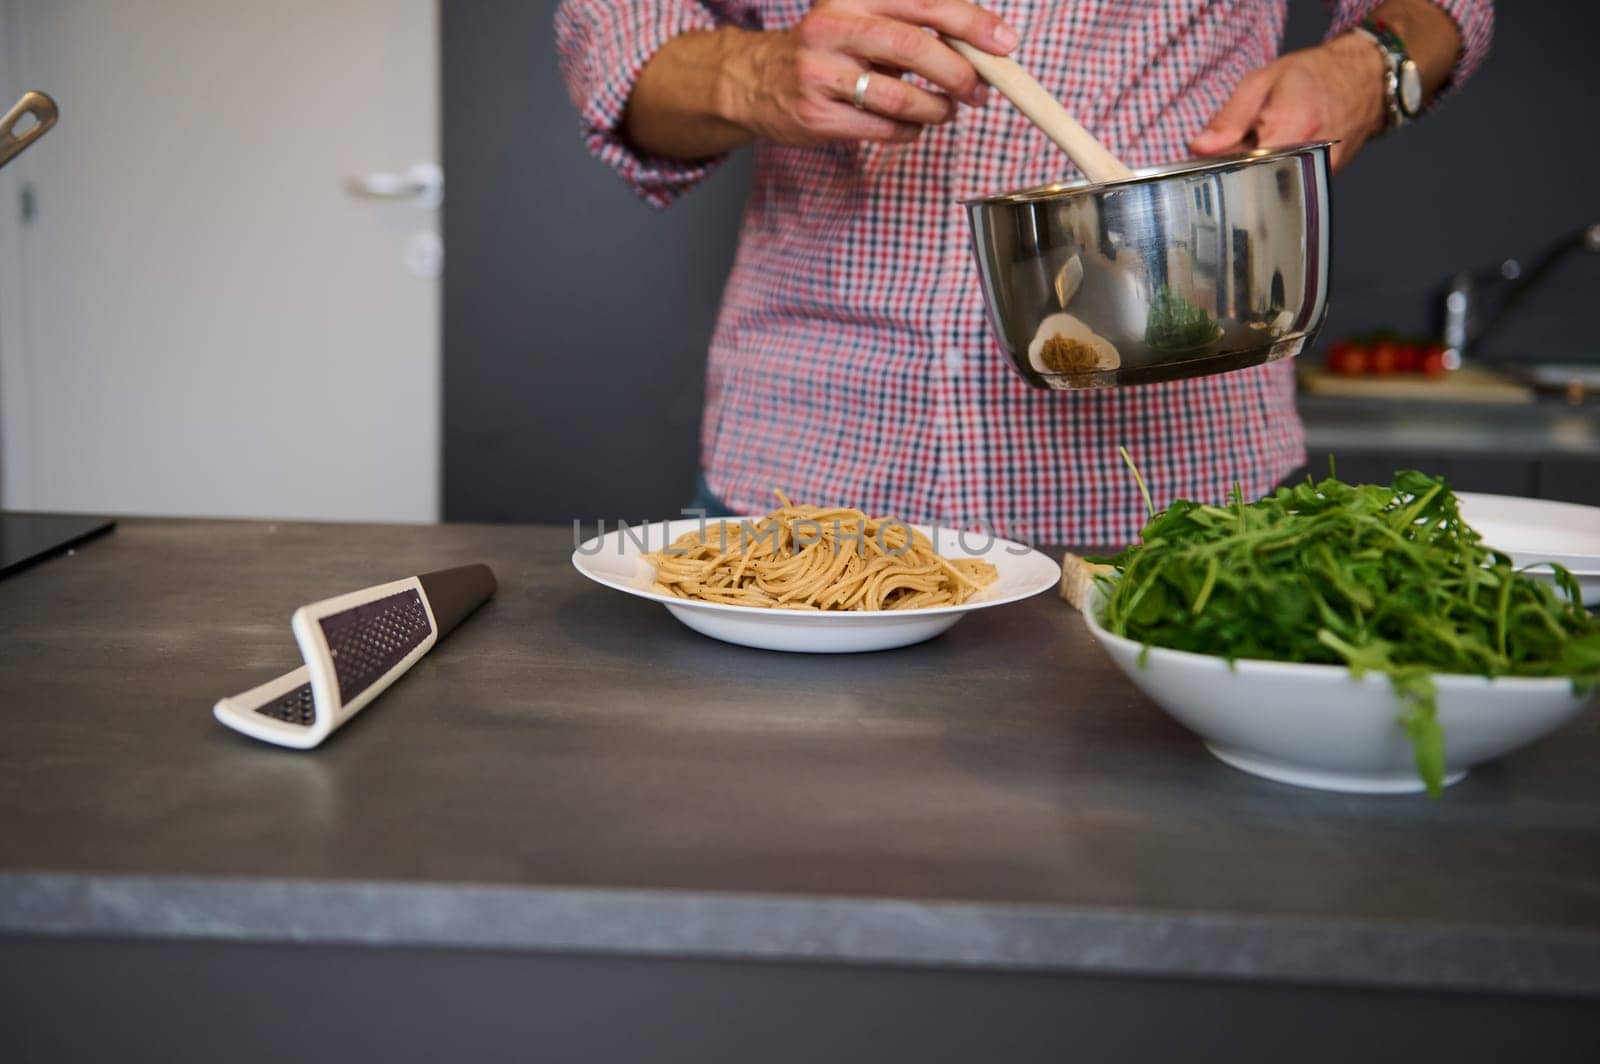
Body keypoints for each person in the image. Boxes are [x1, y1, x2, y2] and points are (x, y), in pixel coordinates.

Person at [555, 1, 1491, 543]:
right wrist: (755, 73)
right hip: (798, 476)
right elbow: (616, 29)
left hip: (1181, 495)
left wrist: (1374, 63)